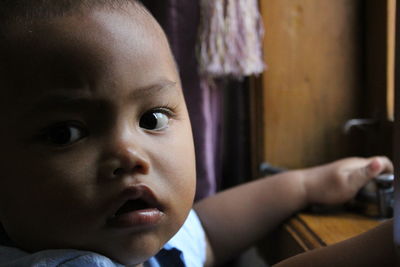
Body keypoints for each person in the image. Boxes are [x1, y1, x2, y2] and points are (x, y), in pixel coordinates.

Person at [0, 1, 395, 266]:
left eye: (152, 118)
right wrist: (386, 244)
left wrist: (306, 185)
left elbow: (205, 231)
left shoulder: (119, 238)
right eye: (66, 133)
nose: (129, 153)